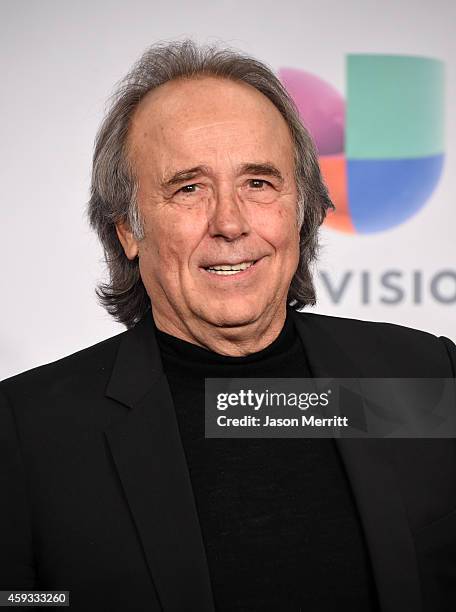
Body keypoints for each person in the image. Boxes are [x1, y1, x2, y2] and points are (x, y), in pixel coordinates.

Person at [1, 40, 455, 612]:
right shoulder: (27, 432)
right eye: (188, 188)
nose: (230, 223)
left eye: (259, 183)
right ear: (128, 230)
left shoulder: (428, 376)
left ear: (302, 208)